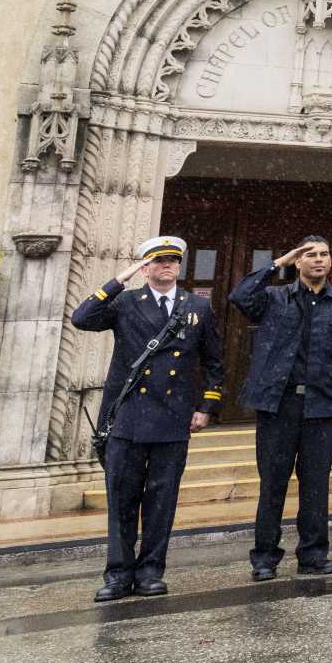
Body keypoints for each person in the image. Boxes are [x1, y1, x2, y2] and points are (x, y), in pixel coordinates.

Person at [69, 233, 222, 602]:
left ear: (179, 266)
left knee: (161, 499)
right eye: (157, 261)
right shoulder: (126, 302)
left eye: (172, 261)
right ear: (146, 267)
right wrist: (118, 278)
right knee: (122, 500)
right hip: (127, 418)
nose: (166, 266)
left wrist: (206, 407)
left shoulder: (195, 307)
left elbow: (214, 362)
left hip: (172, 418)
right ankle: (119, 575)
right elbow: (81, 318)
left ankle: (152, 571)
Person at [231, 238, 332, 581]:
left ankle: (313, 555)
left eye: (324, 254)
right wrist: (277, 263)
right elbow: (240, 296)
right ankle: (264, 558)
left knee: (316, 485)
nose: (318, 260)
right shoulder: (274, 298)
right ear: (298, 262)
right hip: (279, 404)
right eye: (310, 255)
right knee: (272, 485)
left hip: (323, 407)